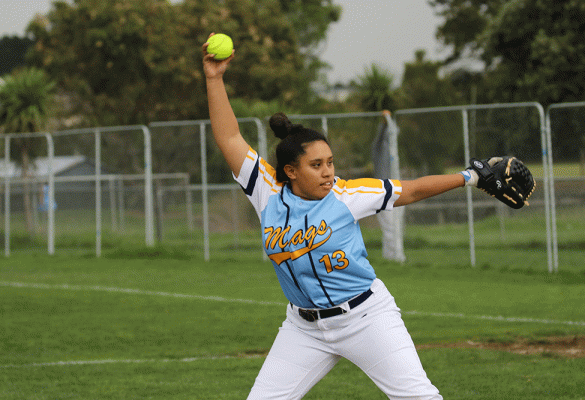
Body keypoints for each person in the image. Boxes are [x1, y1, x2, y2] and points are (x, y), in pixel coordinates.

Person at [203, 33, 476, 400]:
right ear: (291, 171)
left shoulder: (346, 195)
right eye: (316, 165)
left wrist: (468, 177)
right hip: (303, 328)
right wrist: (214, 79)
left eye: (330, 162)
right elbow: (229, 137)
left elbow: (410, 189)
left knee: (418, 397)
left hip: (366, 318)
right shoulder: (266, 191)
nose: (328, 172)